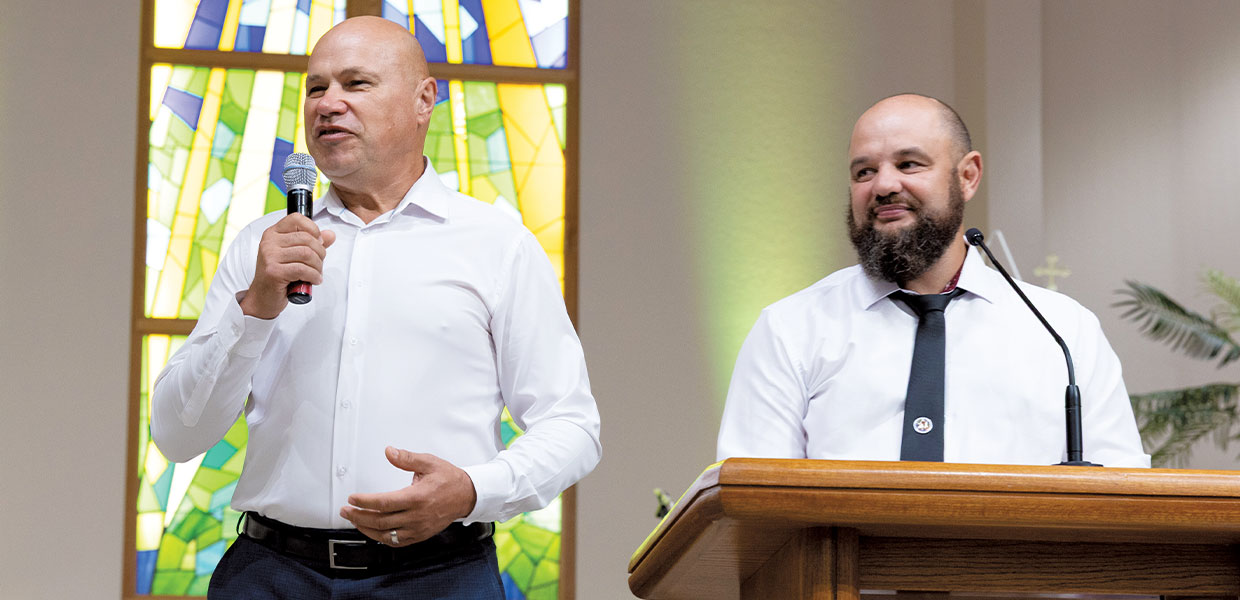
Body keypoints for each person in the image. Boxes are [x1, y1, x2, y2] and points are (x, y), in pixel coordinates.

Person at [151, 16, 601, 598]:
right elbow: (178, 435)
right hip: (272, 574)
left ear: (423, 100)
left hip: (439, 578)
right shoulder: (261, 247)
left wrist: (473, 490)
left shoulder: (496, 245)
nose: (327, 104)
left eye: (356, 83)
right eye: (316, 88)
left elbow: (571, 425)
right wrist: (255, 308)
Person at [716, 93, 1148, 468]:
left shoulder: (1063, 331)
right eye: (864, 172)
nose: (884, 185)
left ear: (968, 176)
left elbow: (1122, 493)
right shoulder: (790, 329)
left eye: (909, 164)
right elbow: (751, 502)